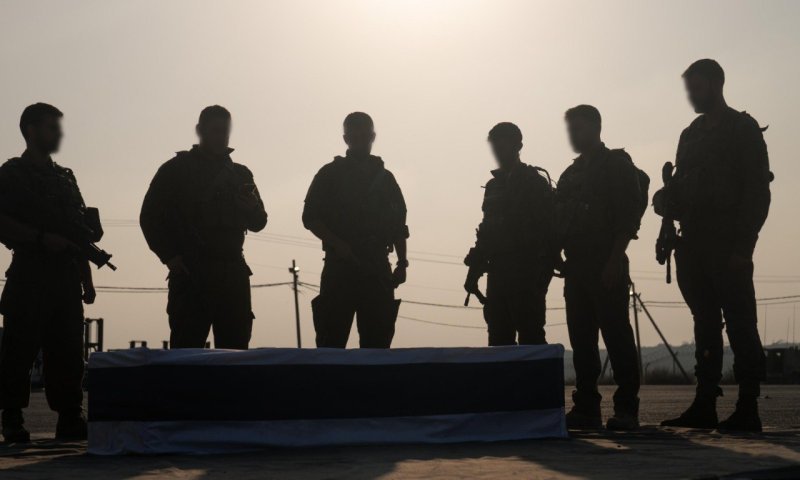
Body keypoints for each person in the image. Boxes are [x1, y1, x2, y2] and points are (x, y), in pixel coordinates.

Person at [658, 59, 771, 432]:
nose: (691, 95)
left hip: (728, 243)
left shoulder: (742, 129)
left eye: (697, 87)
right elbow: (680, 187)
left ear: (716, 84)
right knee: (705, 324)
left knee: (741, 324)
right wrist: (666, 205)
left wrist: (744, 247)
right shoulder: (690, 134)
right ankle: (705, 402)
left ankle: (748, 407)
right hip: (693, 243)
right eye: (688, 89)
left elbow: (757, 192)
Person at [0, 103, 96, 442]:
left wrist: (86, 276)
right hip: (30, 271)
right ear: (31, 130)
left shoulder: (65, 177)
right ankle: (12, 417)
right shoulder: (12, 174)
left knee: (68, 351)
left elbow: (78, 233)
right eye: (51, 127)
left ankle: (70, 415)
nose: (59, 134)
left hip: (65, 276)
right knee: (19, 349)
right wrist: (41, 238)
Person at [140, 106, 267, 350]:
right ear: (200, 130)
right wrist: (169, 257)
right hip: (192, 273)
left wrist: (252, 208)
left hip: (232, 273)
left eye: (225, 132)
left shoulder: (241, 174)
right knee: (186, 354)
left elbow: (259, 222)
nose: (221, 137)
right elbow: (150, 217)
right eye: (215, 131)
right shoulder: (176, 170)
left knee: (235, 353)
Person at [555, 105, 646, 431]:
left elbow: (627, 218)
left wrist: (614, 260)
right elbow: (558, 219)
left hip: (606, 261)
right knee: (581, 340)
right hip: (576, 266)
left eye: (578, 128)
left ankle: (626, 409)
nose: (572, 135)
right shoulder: (570, 174)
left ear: (595, 127)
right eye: (569, 129)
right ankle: (586, 407)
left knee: (617, 336)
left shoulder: (615, 166)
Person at [303, 112, 408, 348]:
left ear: (372, 137)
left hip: (376, 268)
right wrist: (338, 244)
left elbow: (399, 225)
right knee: (331, 347)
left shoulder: (386, 179)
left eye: (365, 135)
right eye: (355, 136)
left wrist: (402, 262)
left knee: (377, 348)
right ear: (346, 139)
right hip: (340, 268)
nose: (360, 141)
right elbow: (310, 218)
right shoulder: (330, 174)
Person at [463, 122, 556, 346]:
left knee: (531, 338)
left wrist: (542, 275)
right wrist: (474, 271)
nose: (498, 152)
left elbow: (549, 231)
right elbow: (486, 230)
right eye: (495, 146)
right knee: (498, 339)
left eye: (502, 146)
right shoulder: (493, 186)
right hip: (498, 272)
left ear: (517, 146)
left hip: (527, 272)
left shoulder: (534, 182)